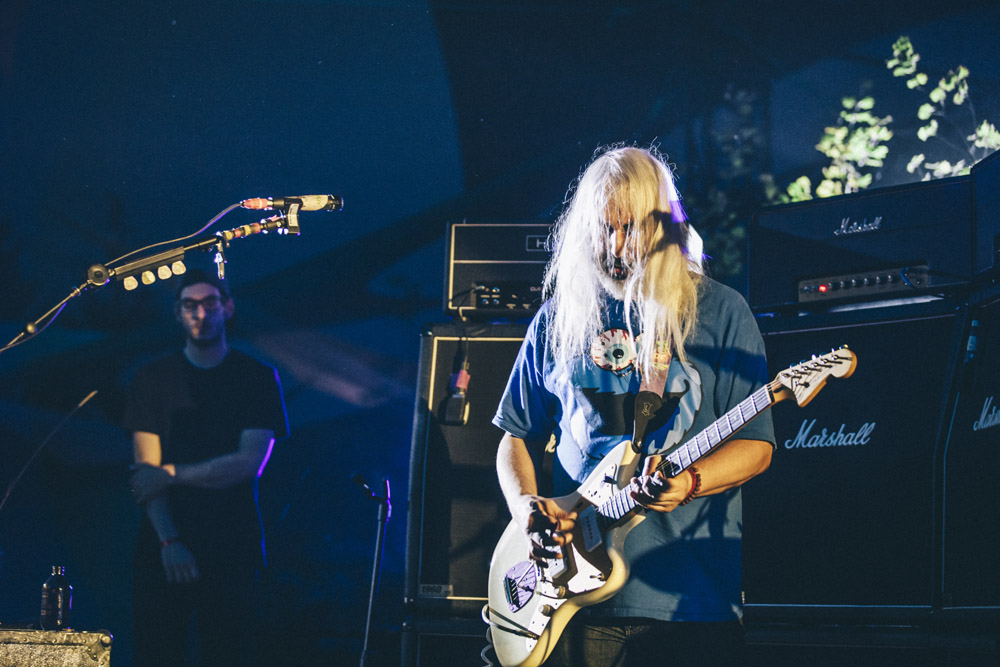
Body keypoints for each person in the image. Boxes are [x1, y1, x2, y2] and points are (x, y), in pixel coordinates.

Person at [493, 145, 775, 666]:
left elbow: (757, 445)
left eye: (631, 228)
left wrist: (689, 483)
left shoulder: (721, 311)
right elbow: (514, 435)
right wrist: (525, 507)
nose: (616, 246)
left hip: (690, 598)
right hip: (571, 596)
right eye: (604, 228)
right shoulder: (559, 318)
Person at [123, 269, 289, 667]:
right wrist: (169, 542)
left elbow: (250, 463)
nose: (200, 314)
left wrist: (172, 472)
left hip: (231, 547)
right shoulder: (153, 379)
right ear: (178, 313)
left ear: (227, 308)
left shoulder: (256, 378)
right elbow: (146, 474)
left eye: (210, 303)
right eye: (190, 305)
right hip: (164, 550)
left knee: (229, 654)